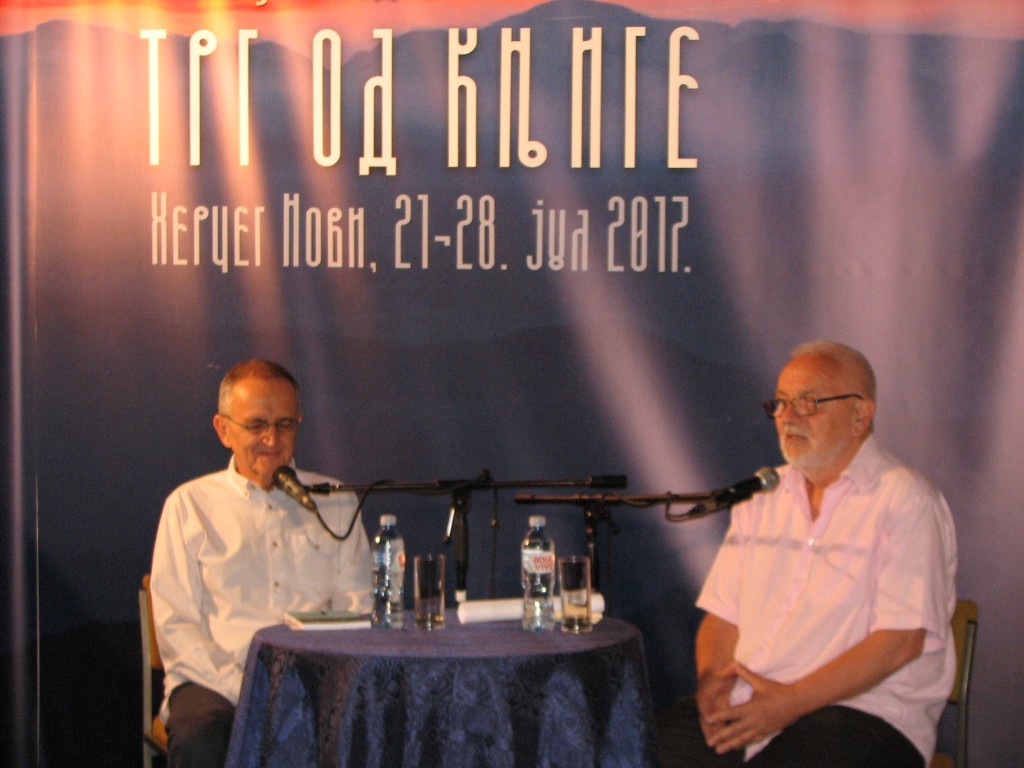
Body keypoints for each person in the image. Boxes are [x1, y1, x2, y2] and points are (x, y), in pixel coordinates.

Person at [657, 340, 957, 768]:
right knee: (650, 749)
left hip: (863, 713)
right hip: (754, 701)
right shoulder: (763, 495)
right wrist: (712, 682)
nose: (788, 417)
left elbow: (900, 642)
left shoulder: (905, 499)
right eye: (780, 403)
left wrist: (791, 703)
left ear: (860, 415)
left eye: (808, 402)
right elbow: (723, 616)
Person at [149, 359, 372, 768]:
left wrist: (314, 686)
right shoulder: (189, 506)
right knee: (202, 739)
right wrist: (247, 689)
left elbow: (357, 609)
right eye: (256, 425)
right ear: (224, 430)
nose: (272, 438)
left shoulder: (336, 500)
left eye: (285, 424)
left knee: (374, 728)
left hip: (318, 682)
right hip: (215, 685)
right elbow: (177, 629)